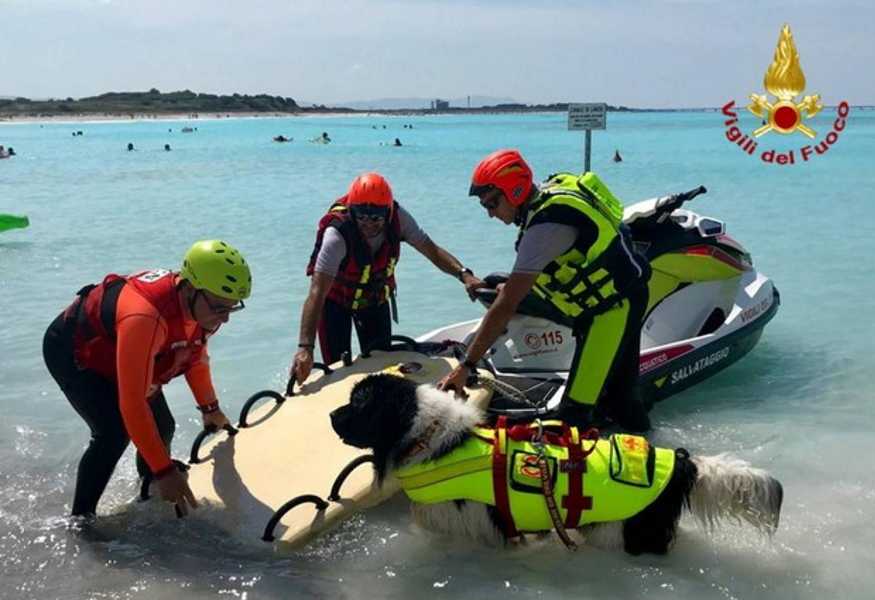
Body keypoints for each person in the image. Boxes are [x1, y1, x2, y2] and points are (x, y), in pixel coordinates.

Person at [437, 149, 651, 430]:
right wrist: (503, 286)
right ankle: (637, 431)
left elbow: (507, 304)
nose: (490, 214)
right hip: (621, 292)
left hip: (611, 311)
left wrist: (466, 365)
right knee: (622, 394)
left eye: (492, 203)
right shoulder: (551, 195)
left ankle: (635, 451)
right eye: (485, 207)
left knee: (574, 415)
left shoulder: (543, 230)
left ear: (514, 191)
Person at [43, 240, 252, 518]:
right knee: (113, 432)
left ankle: (148, 490)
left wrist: (210, 409)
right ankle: (82, 522)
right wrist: (165, 471)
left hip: (124, 348)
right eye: (219, 308)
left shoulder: (203, 307)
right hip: (74, 351)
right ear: (189, 288)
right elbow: (132, 404)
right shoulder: (146, 317)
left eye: (232, 308)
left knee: (163, 425)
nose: (225, 319)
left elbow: (195, 356)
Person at [292, 172, 483, 382]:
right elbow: (317, 293)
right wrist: (305, 348)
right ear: (352, 212)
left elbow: (431, 250)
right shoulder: (337, 234)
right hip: (335, 303)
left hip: (373, 300)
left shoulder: (399, 219)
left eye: (376, 218)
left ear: (388, 212)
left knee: (382, 369)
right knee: (336, 369)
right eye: (361, 216)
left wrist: (464, 274)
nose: (368, 224)